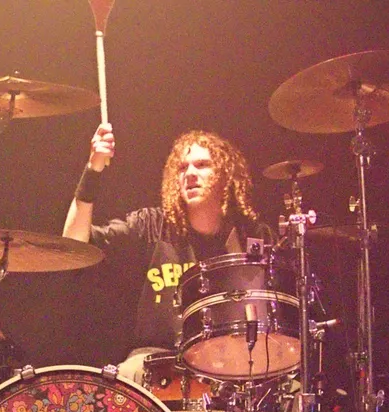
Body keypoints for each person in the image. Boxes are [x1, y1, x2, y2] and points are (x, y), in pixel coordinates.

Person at [62, 123, 276, 382]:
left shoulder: (249, 235)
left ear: (226, 176)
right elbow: (73, 245)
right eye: (183, 168)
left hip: (228, 358)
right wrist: (93, 169)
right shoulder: (151, 225)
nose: (190, 174)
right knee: (129, 373)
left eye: (202, 165)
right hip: (156, 358)